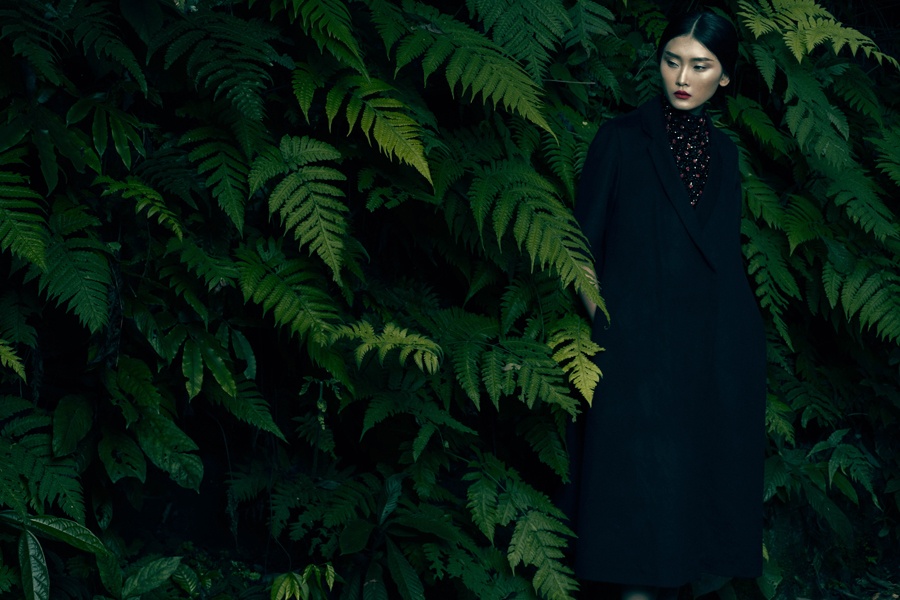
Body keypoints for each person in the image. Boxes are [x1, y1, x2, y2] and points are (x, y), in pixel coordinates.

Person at [568, 11, 767, 600]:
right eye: (672, 61)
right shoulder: (620, 139)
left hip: (713, 355)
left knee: (690, 527)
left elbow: (721, 254)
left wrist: (735, 341)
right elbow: (578, 252)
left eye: (700, 66)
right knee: (635, 534)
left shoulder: (726, 155)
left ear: (724, 77)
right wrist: (610, 332)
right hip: (634, 359)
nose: (682, 78)